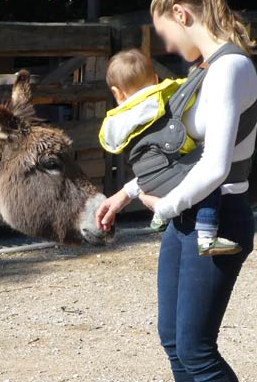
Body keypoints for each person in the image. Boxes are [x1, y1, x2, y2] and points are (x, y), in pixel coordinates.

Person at [96, 0, 257, 382]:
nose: (167, 45)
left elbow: (216, 165)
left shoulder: (230, 70)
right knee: (174, 338)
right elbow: (174, 153)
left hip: (217, 217)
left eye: (165, 31)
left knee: (197, 345)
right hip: (185, 217)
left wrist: (160, 206)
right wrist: (127, 193)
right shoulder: (204, 70)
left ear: (182, 13)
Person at [101, 48, 241, 255]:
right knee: (210, 188)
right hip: (181, 167)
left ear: (116, 92)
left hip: (148, 180)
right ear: (156, 79)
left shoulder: (116, 123)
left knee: (160, 169)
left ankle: (159, 217)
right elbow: (189, 94)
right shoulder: (163, 96)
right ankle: (206, 237)